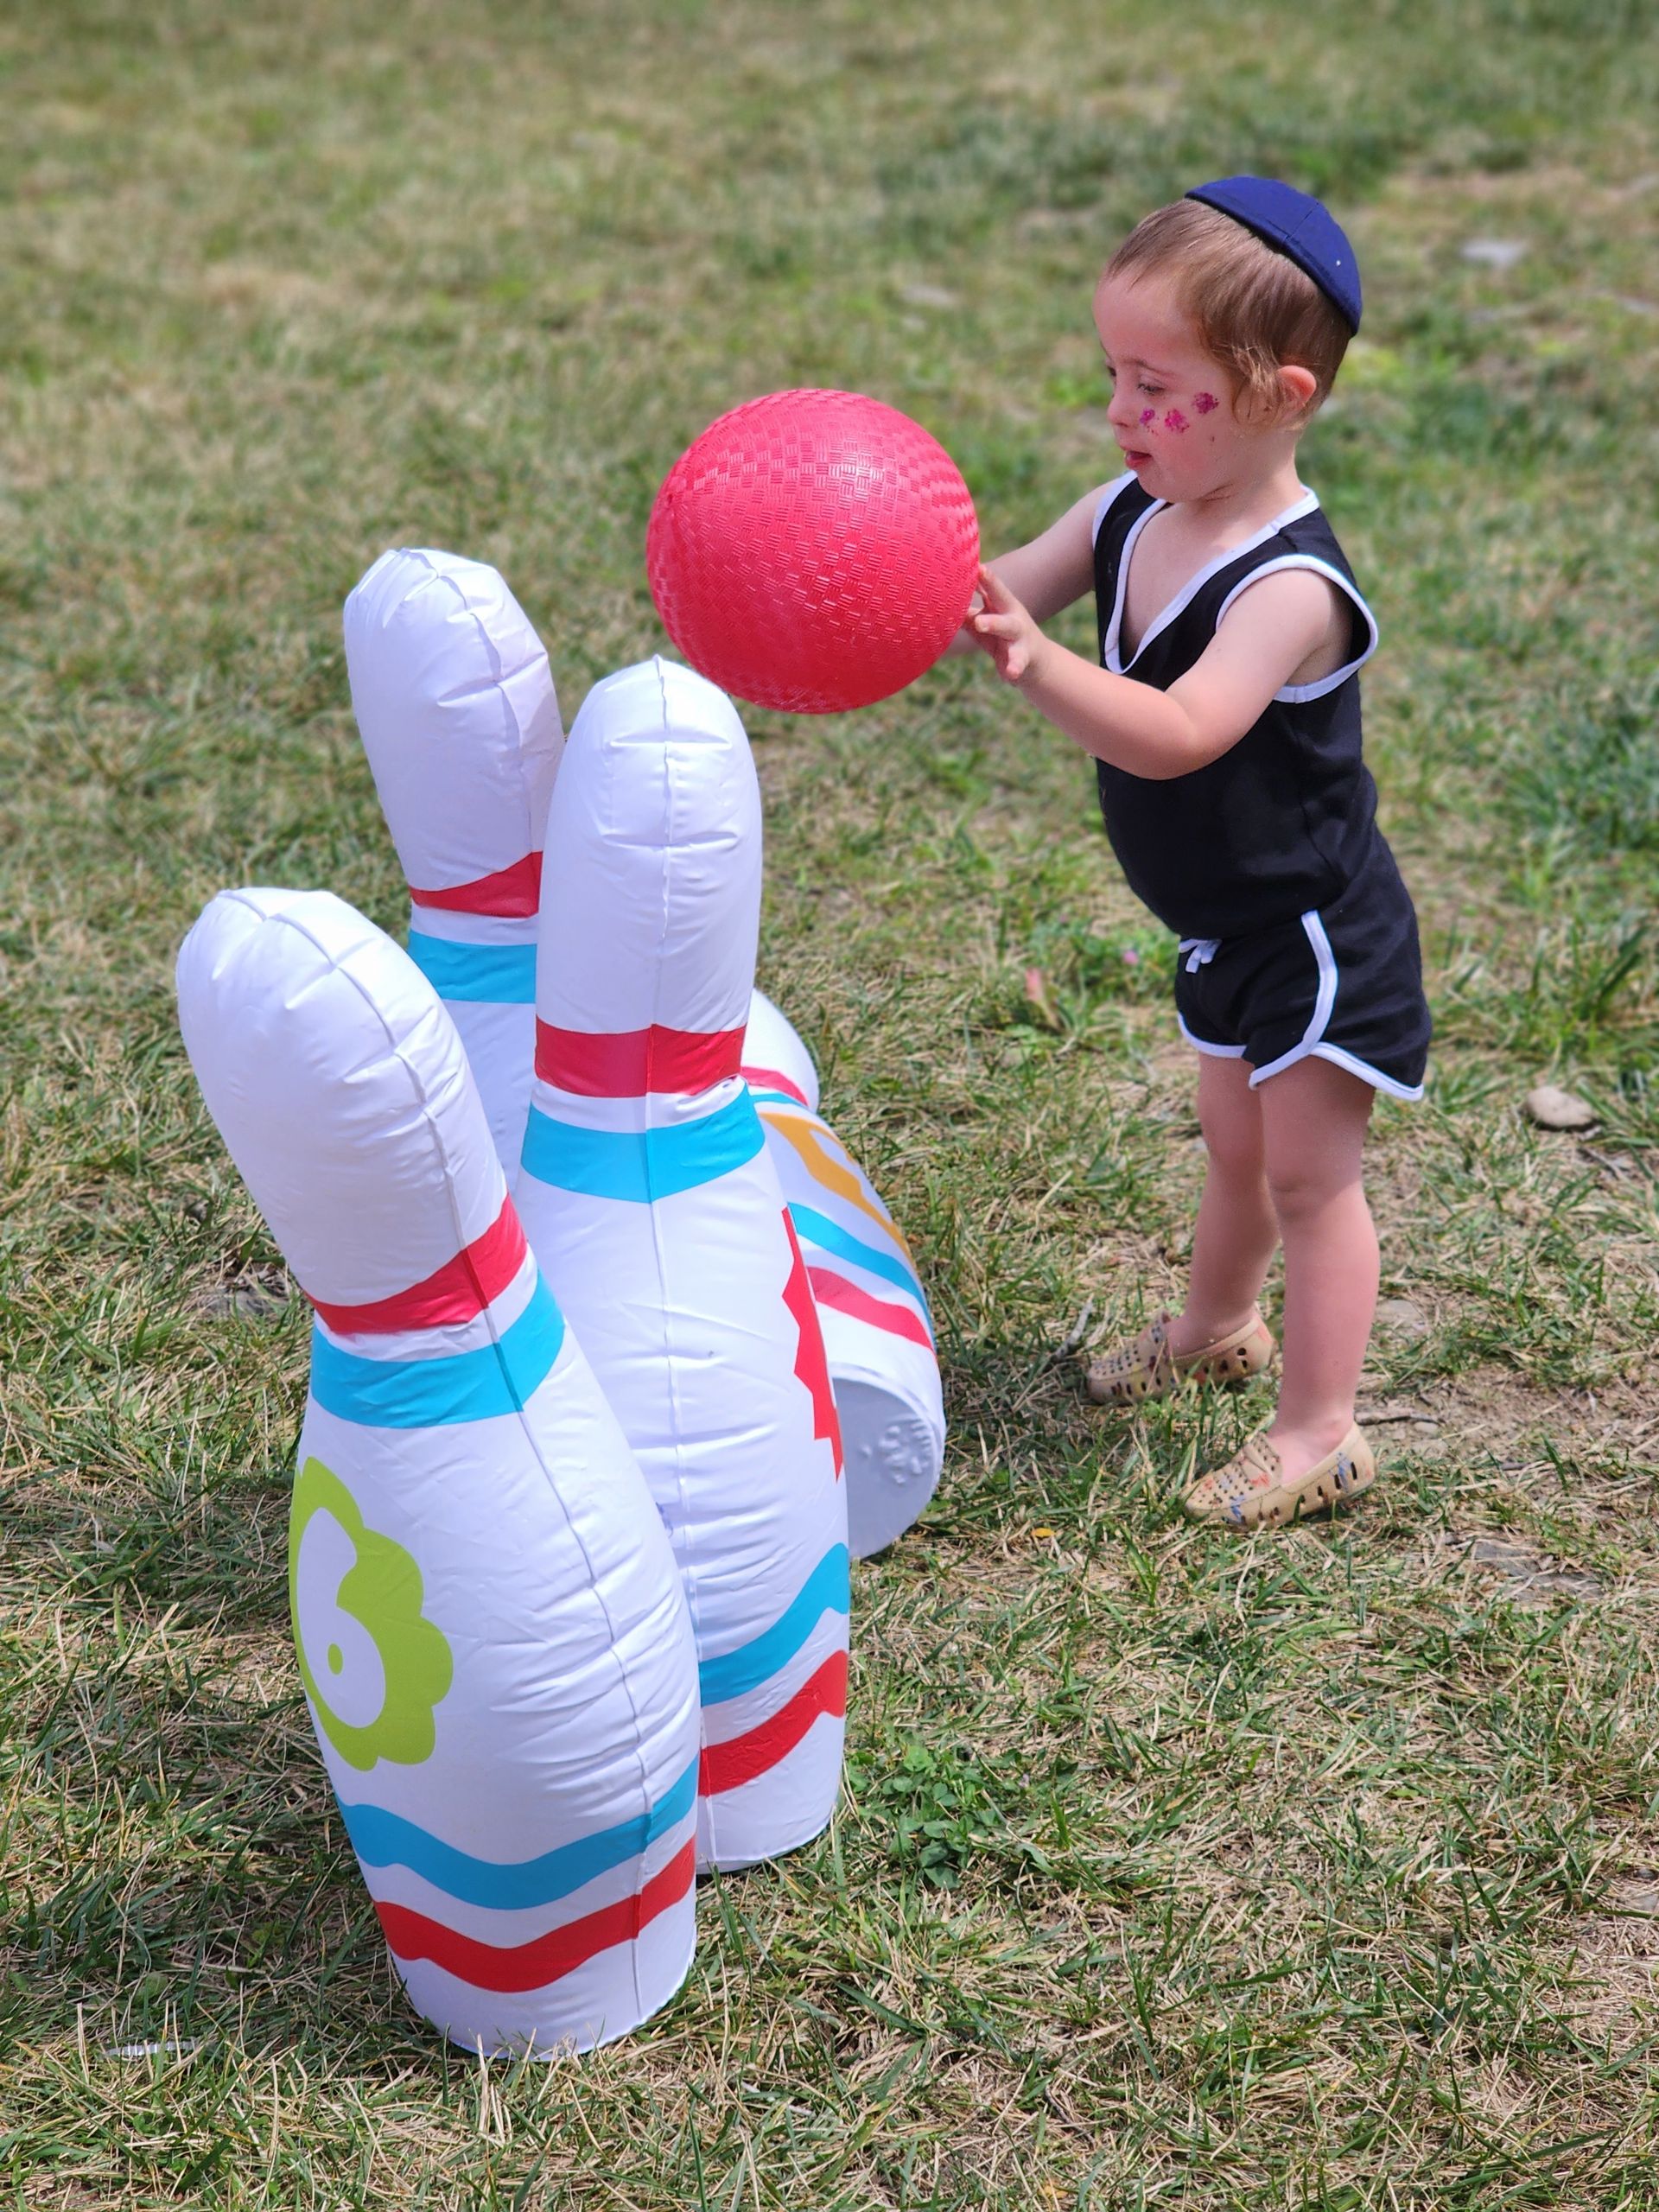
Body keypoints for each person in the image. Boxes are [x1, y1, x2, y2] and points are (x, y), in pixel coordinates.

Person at [964, 177, 1430, 1532]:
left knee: (1306, 1176)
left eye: (1160, 388)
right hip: (1222, 929)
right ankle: (1215, 1328)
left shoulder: (1290, 589)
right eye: (1114, 373)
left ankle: (1320, 1431)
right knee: (1232, 1149)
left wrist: (1038, 666)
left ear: (1281, 396)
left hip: (1314, 940)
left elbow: (1179, 731)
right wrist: (899, 571)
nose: (1122, 412)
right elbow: (1004, 586)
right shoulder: (1128, 508)